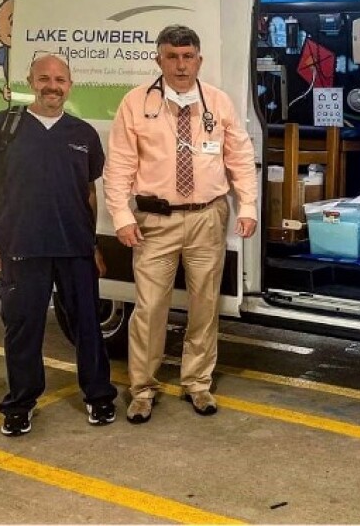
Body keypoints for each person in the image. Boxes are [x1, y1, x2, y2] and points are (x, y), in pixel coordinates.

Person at [103, 24, 258, 424]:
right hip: (156, 221)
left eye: (188, 56)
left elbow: (239, 157)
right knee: (150, 307)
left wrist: (248, 207)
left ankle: (197, 383)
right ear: (158, 59)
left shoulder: (218, 103)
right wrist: (121, 216)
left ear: (199, 60)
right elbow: (119, 165)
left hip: (208, 216)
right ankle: (142, 389)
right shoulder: (136, 104)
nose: (180, 65)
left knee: (204, 305)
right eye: (172, 56)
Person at [0, 53, 118, 436]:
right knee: (23, 330)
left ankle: (99, 396)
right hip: (22, 248)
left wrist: (94, 244)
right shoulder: (3, 127)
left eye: (61, 79)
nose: (53, 85)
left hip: (75, 250)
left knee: (87, 328)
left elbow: (88, 194)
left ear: (70, 85)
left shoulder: (83, 135)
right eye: (45, 78)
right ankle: (20, 404)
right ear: (30, 81)